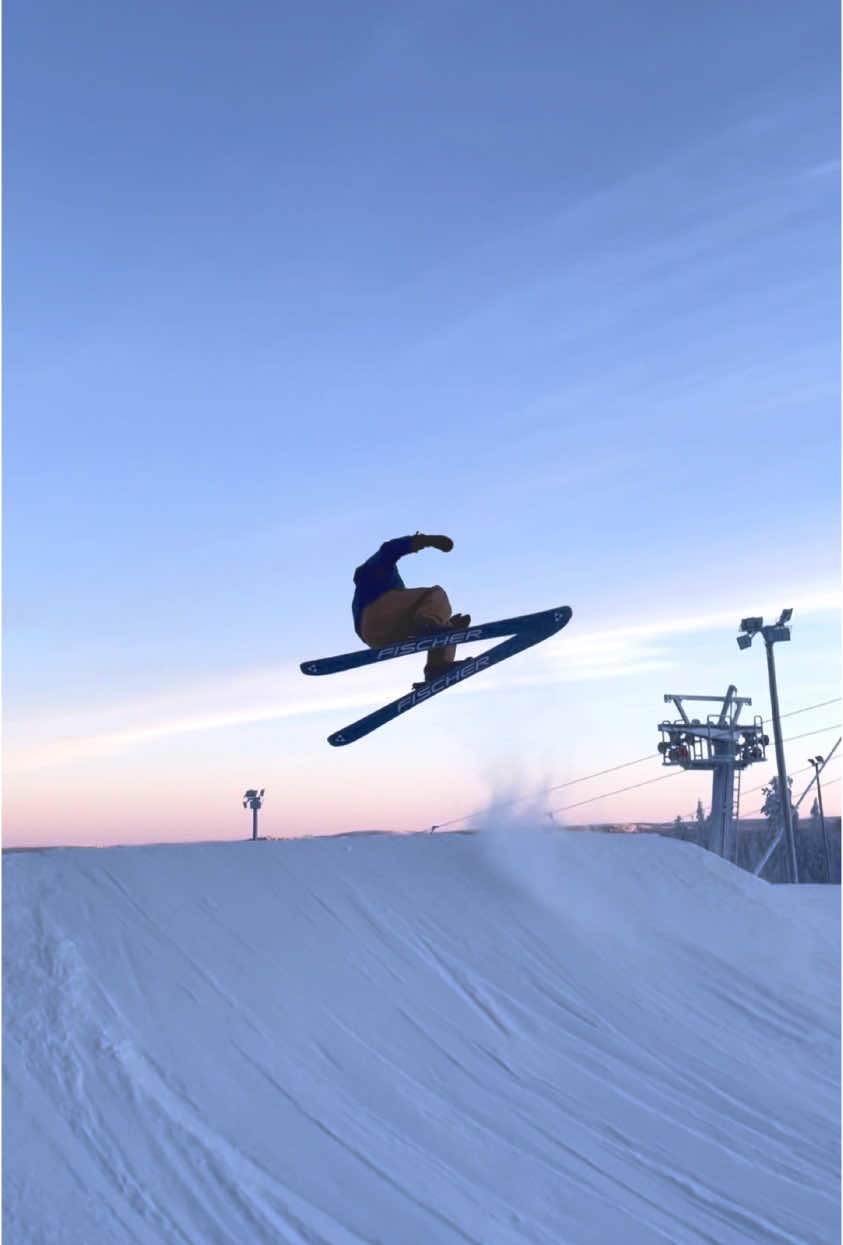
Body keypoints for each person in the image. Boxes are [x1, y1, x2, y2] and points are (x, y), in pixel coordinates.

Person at [352, 533, 471, 684]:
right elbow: (389, 549)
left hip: (377, 637)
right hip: (376, 614)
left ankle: (437, 668)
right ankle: (429, 625)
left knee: (446, 630)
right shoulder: (375, 569)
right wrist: (426, 540)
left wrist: (449, 625)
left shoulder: (382, 593)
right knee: (436, 594)